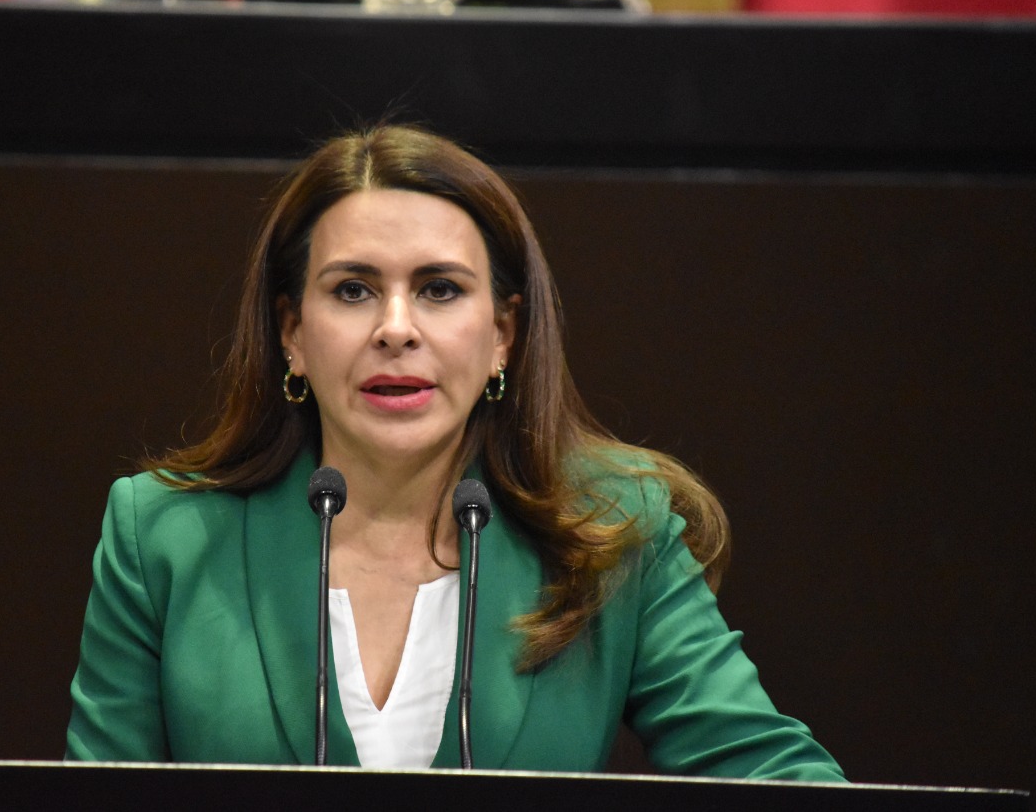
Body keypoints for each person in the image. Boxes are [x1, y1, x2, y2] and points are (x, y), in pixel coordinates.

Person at [65, 124, 845, 780]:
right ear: (292, 333)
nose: (396, 329)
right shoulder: (164, 537)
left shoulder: (613, 531)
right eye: (352, 289)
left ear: (502, 333)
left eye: (439, 289)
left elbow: (785, 786)